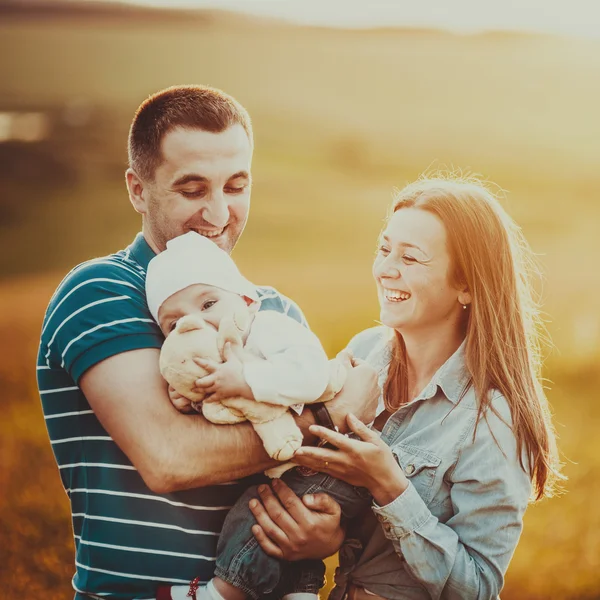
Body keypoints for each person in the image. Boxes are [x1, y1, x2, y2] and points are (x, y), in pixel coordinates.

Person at [36, 85, 379, 600]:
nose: (218, 215)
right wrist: (320, 418)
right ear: (137, 189)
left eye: (236, 186)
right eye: (193, 190)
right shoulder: (101, 291)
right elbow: (170, 459)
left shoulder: (274, 311)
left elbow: (315, 477)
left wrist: (324, 535)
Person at [253, 175, 563, 599]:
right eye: (384, 250)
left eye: (411, 259)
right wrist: (328, 536)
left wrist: (390, 486)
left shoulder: (492, 419)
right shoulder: (363, 354)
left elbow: (477, 588)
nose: (385, 269)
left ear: (467, 284)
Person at [144, 231, 372, 600]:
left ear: (247, 301)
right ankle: (300, 592)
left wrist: (246, 381)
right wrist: (193, 398)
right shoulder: (223, 362)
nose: (196, 324)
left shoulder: (269, 328)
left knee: (255, 513)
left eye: (208, 304)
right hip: (297, 468)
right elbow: (233, 413)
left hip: (328, 465)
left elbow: (311, 374)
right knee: (285, 518)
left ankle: (219, 593)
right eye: (174, 324)